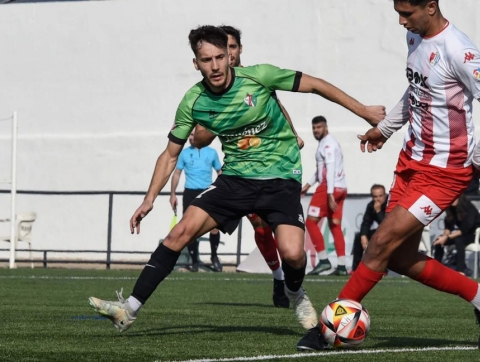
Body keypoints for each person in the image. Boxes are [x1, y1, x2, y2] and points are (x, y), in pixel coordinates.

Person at [88, 25, 385, 335]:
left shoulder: (260, 76)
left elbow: (316, 85)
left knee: (294, 254)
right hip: (235, 180)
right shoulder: (193, 101)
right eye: (206, 60)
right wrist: (149, 199)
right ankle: (128, 310)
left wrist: (363, 111)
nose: (215, 66)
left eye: (220, 57)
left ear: (230, 56)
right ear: (196, 63)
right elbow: (170, 154)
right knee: (179, 234)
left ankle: (295, 294)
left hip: (280, 177)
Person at [297, 0, 480, 351]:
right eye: (398, 13)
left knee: (379, 243)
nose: (401, 20)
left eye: (407, 13)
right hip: (411, 162)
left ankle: (330, 326)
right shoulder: (415, 35)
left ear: (431, 7)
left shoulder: (459, 50)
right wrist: (386, 128)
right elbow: (416, 89)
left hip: (445, 173)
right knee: (397, 257)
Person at [197, 24, 304, 307]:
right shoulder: (212, 89)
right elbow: (200, 136)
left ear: (239, 50)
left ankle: (289, 281)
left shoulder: (255, 79)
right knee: (259, 226)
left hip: (276, 166)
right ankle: (279, 277)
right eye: (223, 49)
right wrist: (211, 124)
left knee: (281, 230)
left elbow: (277, 105)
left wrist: (294, 135)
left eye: (232, 48)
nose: (227, 55)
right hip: (242, 169)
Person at [169, 129, 223, 272]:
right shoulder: (185, 153)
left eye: (193, 134)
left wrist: (222, 190)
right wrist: (172, 194)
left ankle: (214, 256)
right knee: (189, 228)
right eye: (189, 135)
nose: (190, 137)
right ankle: (194, 262)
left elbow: (220, 172)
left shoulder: (211, 152)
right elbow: (177, 173)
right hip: (190, 193)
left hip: (208, 192)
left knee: (214, 227)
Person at [301, 116, 349, 276]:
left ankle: (323, 260)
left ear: (326, 127)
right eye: (314, 128)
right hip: (341, 187)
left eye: (319, 127)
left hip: (330, 188)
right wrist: (307, 186)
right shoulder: (328, 142)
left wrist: (329, 194)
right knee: (335, 225)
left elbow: (330, 168)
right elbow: (321, 170)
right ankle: (342, 266)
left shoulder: (327, 144)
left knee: (310, 222)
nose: (316, 130)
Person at [432, 194, 480, 276]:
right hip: (466, 234)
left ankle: (460, 271)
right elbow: (448, 227)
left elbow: (465, 228)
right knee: (439, 241)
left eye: (455, 197)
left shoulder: (468, 207)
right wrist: (443, 237)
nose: (453, 199)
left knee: (459, 240)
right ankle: (436, 268)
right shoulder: (451, 209)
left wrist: (447, 237)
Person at [351, 184, 387, 271]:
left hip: (393, 234)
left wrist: (378, 211)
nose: (378, 199)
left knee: (380, 238)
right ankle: (356, 269)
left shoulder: (391, 204)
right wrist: (363, 236)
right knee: (359, 237)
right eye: (375, 196)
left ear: (385, 195)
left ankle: (383, 269)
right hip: (381, 233)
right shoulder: (371, 205)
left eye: (380, 196)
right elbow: (366, 222)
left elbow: (386, 225)